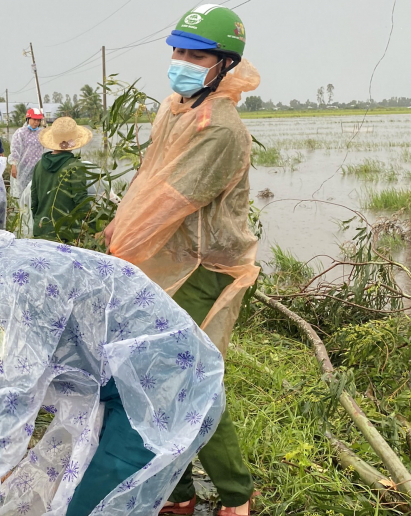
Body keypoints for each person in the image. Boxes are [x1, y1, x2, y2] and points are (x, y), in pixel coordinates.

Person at [0, 169, 226, 516]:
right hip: (123, 380)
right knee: (66, 491)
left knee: (93, 504)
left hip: (162, 381)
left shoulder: (2, 290)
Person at [103, 5, 260, 515]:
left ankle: (236, 494)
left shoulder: (220, 128)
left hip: (203, 266)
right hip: (168, 260)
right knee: (154, 373)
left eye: (195, 54)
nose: (181, 60)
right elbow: (147, 179)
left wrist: (118, 249)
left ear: (223, 65)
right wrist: (118, 230)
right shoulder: (177, 108)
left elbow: (169, 200)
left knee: (186, 377)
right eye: (178, 50)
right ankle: (179, 491)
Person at [31, 117, 92, 241]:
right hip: (65, 234)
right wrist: (95, 226)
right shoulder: (75, 166)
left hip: (41, 230)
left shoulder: (39, 165)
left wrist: (39, 224)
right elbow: (81, 201)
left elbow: (34, 202)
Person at [9, 107, 46, 237]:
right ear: (28, 119)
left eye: (38, 120)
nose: (36, 123)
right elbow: (15, 149)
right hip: (23, 169)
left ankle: (35, 223)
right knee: (23, 196)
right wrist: (14, 164)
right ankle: (22, 225)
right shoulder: (21, 133)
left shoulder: (42, 133)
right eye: (34, 120)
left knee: (36, 195)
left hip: (37, 168)